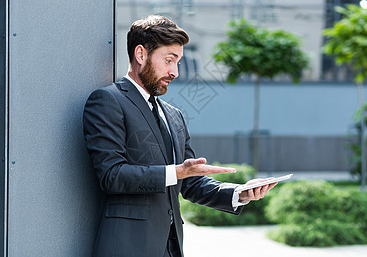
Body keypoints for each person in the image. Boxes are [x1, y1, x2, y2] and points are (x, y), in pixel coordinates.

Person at [83, 15, 277, 257]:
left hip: (172, 248)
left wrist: (238, 193)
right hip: (127, 247)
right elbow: (111, 175)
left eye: (178, 62)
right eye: (168, 60)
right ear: (141, 54)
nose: (174, 71)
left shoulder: (174, 115)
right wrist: (176, 172)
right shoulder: (107, 101)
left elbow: (191, 183)